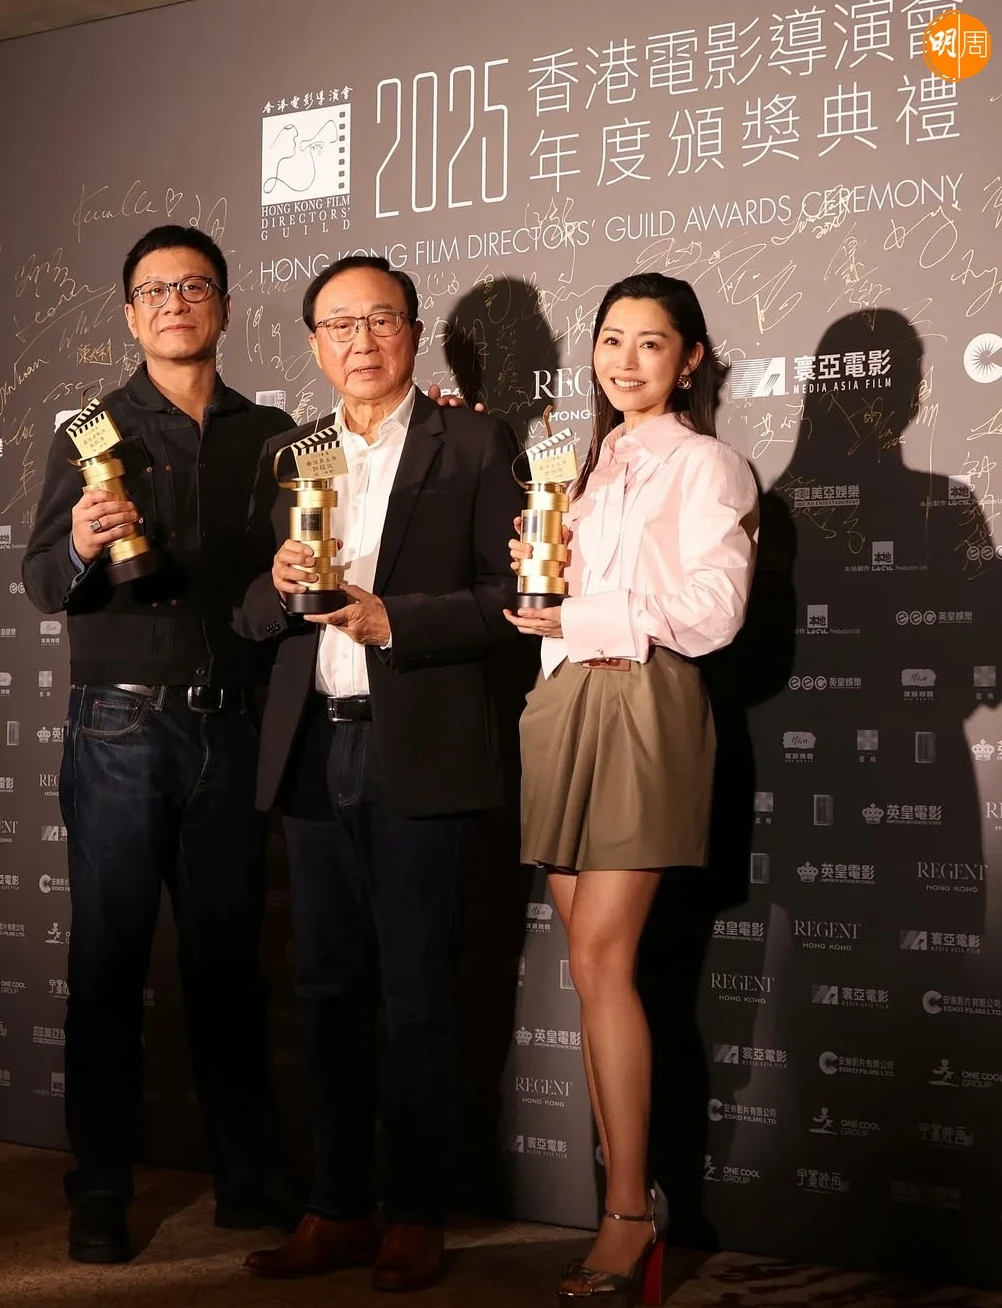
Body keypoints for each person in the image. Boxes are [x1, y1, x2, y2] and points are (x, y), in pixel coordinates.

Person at [235, 255, 522, 1293]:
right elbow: (247, 616)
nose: (361, 342)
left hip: (421, 751)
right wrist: (275, 589)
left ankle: (416, 1213)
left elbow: (511, 600)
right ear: (315, 343)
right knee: (325, 991)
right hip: (313, 750)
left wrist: (394, 620)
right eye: (339, 324)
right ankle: (336, 1206)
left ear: (413, 331)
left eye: (381, 320)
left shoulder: (475, 443)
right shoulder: (287, 454)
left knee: (418, 993)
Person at [22, 225, 305, 1262]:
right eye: (154, 291)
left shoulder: (273, 435)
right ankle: (100, 1189)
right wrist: (81, 542)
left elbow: (294, 568)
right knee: (108, 964)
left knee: (230, 967)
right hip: (119, 725)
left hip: (232, 722)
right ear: (130, 315)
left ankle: (247, 1180)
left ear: (224, 304)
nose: (174, 304)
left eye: (193, 287)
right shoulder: (89, 431)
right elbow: (41, 581)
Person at [505, 273, 759, 1306]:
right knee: (589, 966)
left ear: (689, 360)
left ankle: (626, 1214)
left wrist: (584, 614)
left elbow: (714, 612)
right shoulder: (581, 468)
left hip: (645, 699)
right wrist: (546, 602)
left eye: (650, 342)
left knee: (604, 959)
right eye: (610, 340)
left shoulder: (707, 464)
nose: (625, 361)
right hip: (563, 702)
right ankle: (626, 1199)